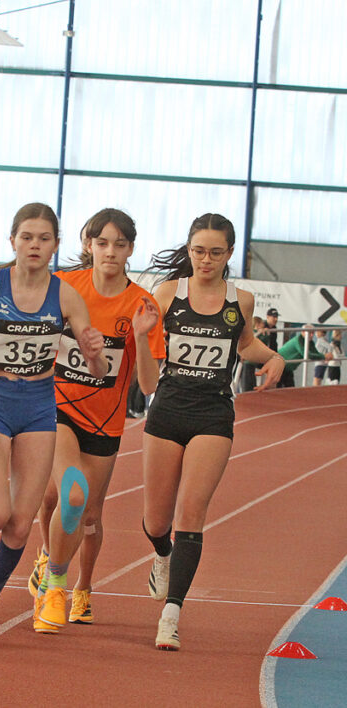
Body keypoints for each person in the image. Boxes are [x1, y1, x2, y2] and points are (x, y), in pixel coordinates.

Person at [0, 203, 106, 646]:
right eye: (27, 237)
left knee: (19, 525)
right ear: (12, 240)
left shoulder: (66, 296)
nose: (35, 245)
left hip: (38, 406)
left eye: (44, 239)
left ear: (56, 245)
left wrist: (93, 353)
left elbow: (97, 369)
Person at [17, 208, 164, 633]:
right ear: (89, 245)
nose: (110, 252)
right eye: (102, 243)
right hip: (57, 408)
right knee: (69, 495)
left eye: (119, 245)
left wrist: (140, 335)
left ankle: (82, 585)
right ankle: (54, 580)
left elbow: (148, 385)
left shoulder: (142, 305)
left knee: (90, 515)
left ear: (131, 249)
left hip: (105, 422)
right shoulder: (65, 288)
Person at [141, 213, 284, 651]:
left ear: (229, 254)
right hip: (167, 411)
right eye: (199, 251)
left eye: (215, 253)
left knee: (191, 513)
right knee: (156, 522)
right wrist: (140, 338)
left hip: (213, 414)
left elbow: (244, 343)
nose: (206, 260)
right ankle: (162, 555)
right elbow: (148, 364)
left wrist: (273, 357)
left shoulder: (241, 300)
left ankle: (171, 615)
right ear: (189, 250)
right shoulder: (168, 294)